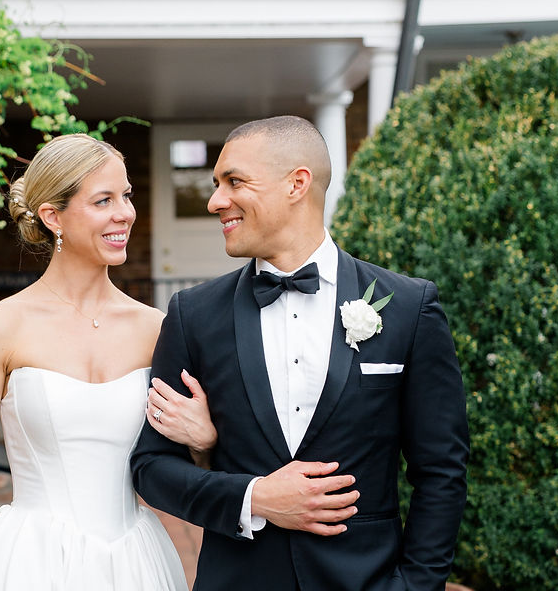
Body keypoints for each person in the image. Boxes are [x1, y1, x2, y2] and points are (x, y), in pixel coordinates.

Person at [132, 116, 469, 591]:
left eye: (234, 182)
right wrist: (254, 497)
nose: (214, 201)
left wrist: (415, 586)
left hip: (367, 580)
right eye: (215, 184)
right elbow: (150, 468)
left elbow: (441, 471)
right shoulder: (193, 315)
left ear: (297, 183)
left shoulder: (410, 308)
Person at [0, 134, 216, 591]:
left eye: (126, 195)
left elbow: (186, 458)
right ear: (52, 216)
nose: (124, 213)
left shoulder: (157, 328)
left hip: (133, 564)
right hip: (31, 562)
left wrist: (204, 441)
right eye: (103, 200)